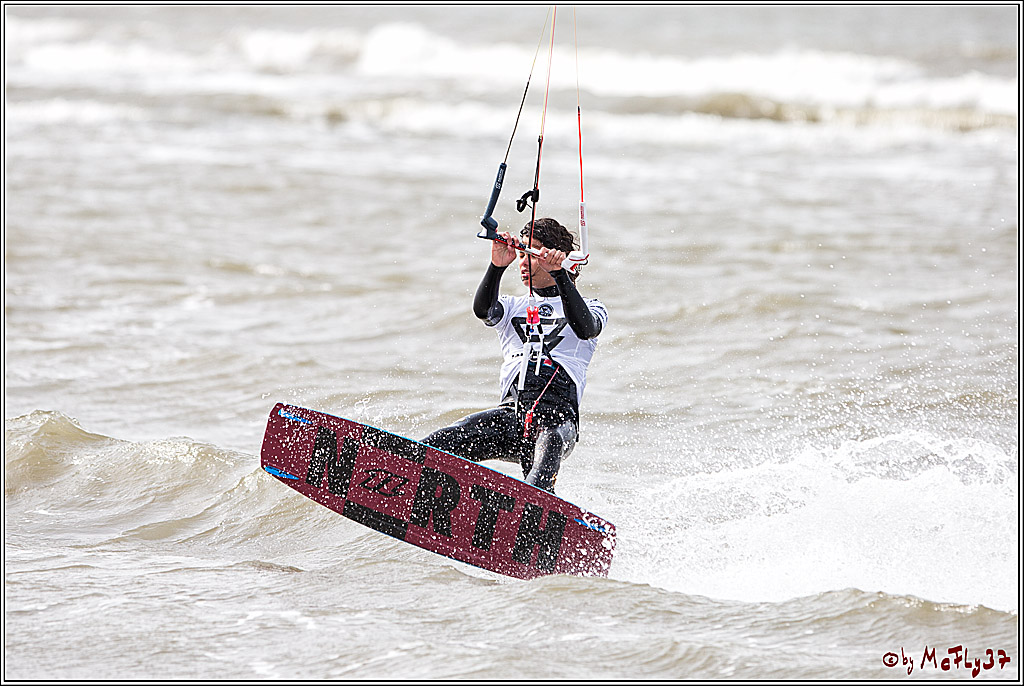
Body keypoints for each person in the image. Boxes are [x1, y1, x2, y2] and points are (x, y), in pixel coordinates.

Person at [421, 218, 607, 494]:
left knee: (550, 445)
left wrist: (560, 275)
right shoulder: (511, 306)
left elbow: (585, 328)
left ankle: (533, 512)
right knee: (443, 440)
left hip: (559, 422)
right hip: (512, 415)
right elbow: (484, 311)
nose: (523, 262)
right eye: (521, 255)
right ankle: (410, 481)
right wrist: (497, 266)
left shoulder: (592, 307)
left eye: (531, 254)